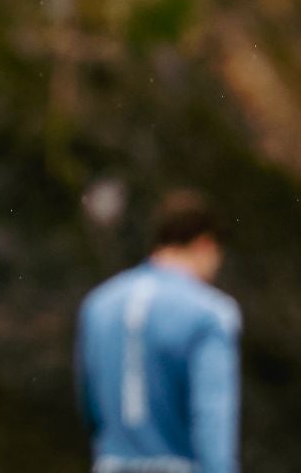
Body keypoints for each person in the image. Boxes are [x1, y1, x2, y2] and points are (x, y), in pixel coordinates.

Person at [76, 190, 240, 473]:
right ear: (205, 246)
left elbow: (91, 410)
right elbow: (213, 425)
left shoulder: (99, 305)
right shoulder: (210, 314)